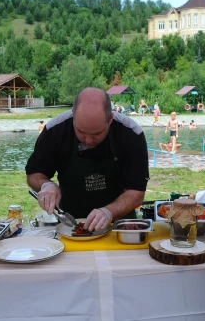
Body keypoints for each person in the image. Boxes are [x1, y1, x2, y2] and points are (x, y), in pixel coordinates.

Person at [26, 87, 148, 232]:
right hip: (70, 225)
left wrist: (108, 212)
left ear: (110, 119)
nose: (88, 141)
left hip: (120, 225)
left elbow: (137, 192)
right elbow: (34, 174)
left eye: (97, 133)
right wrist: (46, 185)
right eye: (81, 132)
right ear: (73, 116)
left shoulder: (131, 133)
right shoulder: (55, 131)